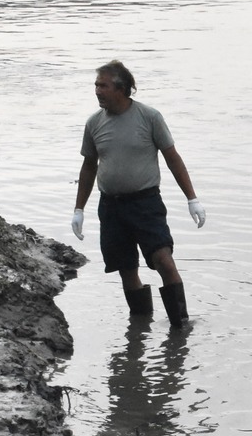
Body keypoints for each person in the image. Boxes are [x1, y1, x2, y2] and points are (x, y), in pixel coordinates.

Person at [71, 61, 204, 328]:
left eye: (103, 86)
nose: (97, 91)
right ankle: (140, 328)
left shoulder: (150, 117)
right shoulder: (94, 123)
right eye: (96, 85)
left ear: (121, 89)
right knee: (126, 269)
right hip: (111, 207)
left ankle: (181, 327)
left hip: (146, 204)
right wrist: (79, 209)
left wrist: (192, 199)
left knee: (163, 261)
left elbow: (173, 159)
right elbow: (88, 166)